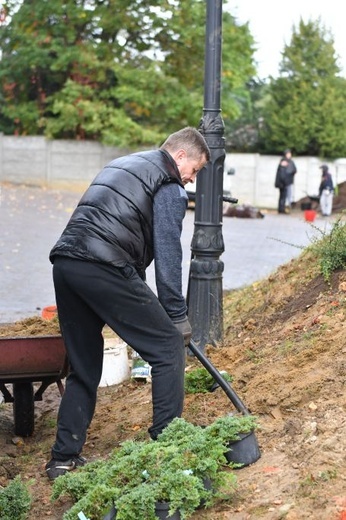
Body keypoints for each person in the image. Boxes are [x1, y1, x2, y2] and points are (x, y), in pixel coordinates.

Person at [45, 127, 210, 480]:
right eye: (194, 170)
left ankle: (62, 459)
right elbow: (168, 251)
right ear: (179, 156)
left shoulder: (126, 163)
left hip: (67, 264)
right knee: (167, 348)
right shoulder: (168, 183)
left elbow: (120, 232)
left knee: (84, 367)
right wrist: (176, 316)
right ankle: (166, 450)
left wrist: (147, 299)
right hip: (103, 264)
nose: (191, 180)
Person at [274, 148, 297, 214]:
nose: (290, 155)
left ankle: (281, 209)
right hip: (284, 182)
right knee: (283, 196)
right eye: (289, 154)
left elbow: (293, 170)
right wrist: (284, 181)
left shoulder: (289, 161)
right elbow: (283, 173)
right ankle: (281, 209)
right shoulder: (284, 161)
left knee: (283, 196)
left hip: (285, 182)